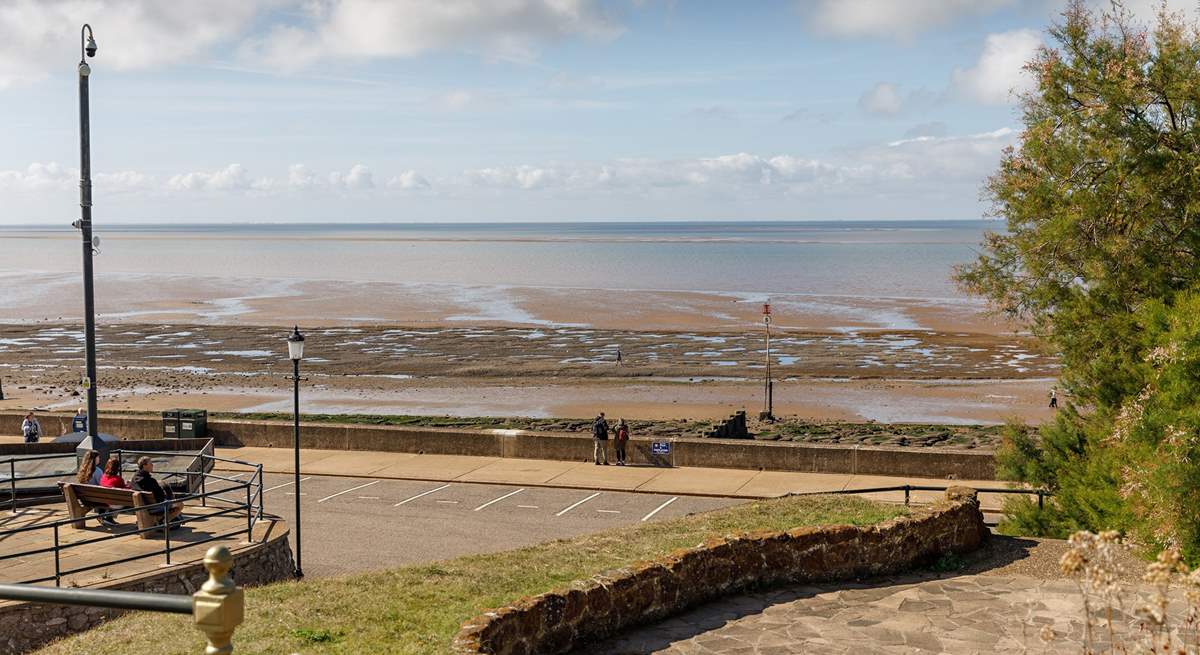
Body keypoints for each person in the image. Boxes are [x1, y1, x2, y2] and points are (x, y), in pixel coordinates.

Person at [131, 456, 183, 524]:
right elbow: (161, 497)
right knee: (180, 504)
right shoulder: (150, 481)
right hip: (153, 507)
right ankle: (164, 522)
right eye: (150, 463)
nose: (152, 465)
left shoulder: (134, 478)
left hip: (141, 506)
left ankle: (162, 519)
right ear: (144, 465)